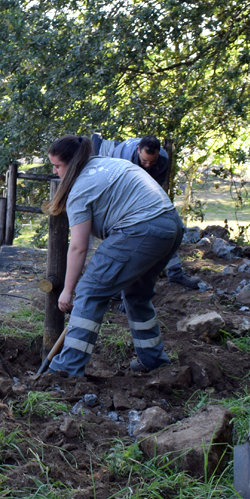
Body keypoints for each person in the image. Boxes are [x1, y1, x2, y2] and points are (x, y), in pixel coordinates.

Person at [44, 135, 185, 376]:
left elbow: (78, 247)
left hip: (140, 229)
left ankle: (65, 372)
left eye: (57, 166)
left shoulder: (79, 189)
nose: (55, 172)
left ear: (72, 162)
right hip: (171, 225)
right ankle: (154, 360)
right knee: (137, 295)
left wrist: (68, 291)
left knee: (89, 291)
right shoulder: (107, 164)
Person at [107, 135, 204, 290]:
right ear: (138, 150)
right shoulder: (123, 159)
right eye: (145, 161)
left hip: (143, 191)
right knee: (128, 233)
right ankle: (121, 285)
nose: (148, 165)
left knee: (164, 227)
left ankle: (175, 273)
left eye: (152, 162)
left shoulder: (163, 160)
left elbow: (153, 190)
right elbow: (120, 191)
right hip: (118, 187)